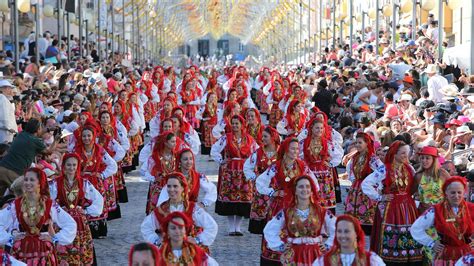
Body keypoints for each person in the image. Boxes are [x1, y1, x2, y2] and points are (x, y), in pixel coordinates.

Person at [256, 137, 318, 264]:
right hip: (279, 205)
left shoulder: (302, 165)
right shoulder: (276, 166)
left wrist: (306, 196)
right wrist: (273, 192)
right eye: (293, 148)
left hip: (297, 205)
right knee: (277, 231)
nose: (296, 151)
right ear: (285, 150)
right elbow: (260, 182)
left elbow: (314, 183)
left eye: (297, 148)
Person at [362, 140, 423, 265]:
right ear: (394, 154)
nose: (406, 156)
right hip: (391, 207)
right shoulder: (385, 169)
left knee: (408, 232)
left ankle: (408, 258)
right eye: (402, 153)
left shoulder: (409, 168)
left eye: (406, 153)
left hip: (408, 206)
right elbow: (366, 183)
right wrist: (379, 197)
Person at [0, 168, 77, 264]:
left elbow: (70, 223)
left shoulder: (50, 204)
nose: (28, 183)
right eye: (26, 179)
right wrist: (10, 238)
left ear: (40, 182)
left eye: (32, 180)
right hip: (21, 252)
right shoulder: (15, 205)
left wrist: (55, 238)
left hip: (45, 252)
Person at [263, 175, 336, 265]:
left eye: (307, 186)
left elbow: (337, 228)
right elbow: (269, 230)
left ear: (311, 190)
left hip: (315, 255)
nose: (305, 189)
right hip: (293, 255)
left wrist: (328, 245)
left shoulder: (321, 212)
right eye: (301, 187)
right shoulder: (287, 212)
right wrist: (280, 246)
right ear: (295, 191)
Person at [49, 153, 104, 265]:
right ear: (63, 166)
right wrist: (57, 212)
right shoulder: (55, 183)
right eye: (69, 165)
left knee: (81, 246)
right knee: (63, 248)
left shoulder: (83, 183)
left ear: (78, 166)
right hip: (62, 222)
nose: (71, 168)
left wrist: (87, 211)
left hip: (79, 222)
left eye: (74, 165)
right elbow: (49, 202)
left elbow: (98, 199)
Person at [141, 172, 218, 252]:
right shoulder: (162, 209)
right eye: (169, 186)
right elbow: (146, 227)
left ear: (182, 188)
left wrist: (197, 240)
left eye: (175, 186)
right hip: (168, 253)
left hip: (189, 252)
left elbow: (212, 226)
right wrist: (156, 241)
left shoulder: (192, 208)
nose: (171, 189)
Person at [211, 115, 258, 236]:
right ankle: (232, 227)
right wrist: (221, 161)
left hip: (243, 171)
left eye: (237, 123)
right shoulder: (226, 138)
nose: (235, 126)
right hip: (229, 171)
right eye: (233, 123)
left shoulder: (249, 139)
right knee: (230, 198)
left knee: (243, 198)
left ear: (242, 125)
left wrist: (252, 166)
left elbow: (256, 152)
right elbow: (214, 150)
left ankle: (238, 227)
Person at [411, 176, 474, 265]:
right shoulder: (436, 210)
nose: (456, 196)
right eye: (453, 192)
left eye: (459, 192)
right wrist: (431, 243)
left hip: (467, 255)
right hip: (445, 255)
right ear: (446, 193)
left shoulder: (471, 208)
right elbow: (415, 228)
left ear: (464, 193)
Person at [74, 123, 118, 239]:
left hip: (96, 182)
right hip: (82, 182)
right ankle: (85, 230)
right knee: (84, 202)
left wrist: (103, 175)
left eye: (89, 136)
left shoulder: (99, 150)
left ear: (93, 136)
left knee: (97, 202)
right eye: (84, 136)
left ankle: (99, 231)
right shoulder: (76, 150)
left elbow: (112, 165)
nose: (86, 138)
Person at [299, 117, 343, 213]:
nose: (320, 130)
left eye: (321, 128)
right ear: (311, 129)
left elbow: (338, 154)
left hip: (325, 174)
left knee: (325, 199)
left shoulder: (327, 142)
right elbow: (298, 155)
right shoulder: (304, 142)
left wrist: (330, 163)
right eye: (317, 128)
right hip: (310, 172)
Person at [344, 132, 384, 235]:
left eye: (360, 142)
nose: (357, 145)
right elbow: (351, 171)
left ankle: (367, 229)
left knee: (367, 211)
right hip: (356, 187)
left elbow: (382, 170)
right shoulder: (356, 157)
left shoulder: (372, 158)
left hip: (366, 188)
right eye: (356, 142)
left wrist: (374, 182)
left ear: (367, 143)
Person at [243, 126, 280, 234]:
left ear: (273, 137)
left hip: (276, 186)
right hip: (262, 187)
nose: (262, 138)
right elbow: (247, 166)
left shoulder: (281, 151)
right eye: (262, 136)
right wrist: (254, 177)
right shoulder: (258, 152)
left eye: (265, 136)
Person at [0, 119, 49, 196]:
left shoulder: (21, 134)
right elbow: (49, 151)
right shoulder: (35, 141)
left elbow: (38, 133)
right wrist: (56, 140)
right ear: (38, 129)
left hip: (2, 167)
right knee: (24, 197)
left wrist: (48, 129)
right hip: (14, 172)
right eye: (40, 128)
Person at [313, 214, 386, 265]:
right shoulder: (324, 261)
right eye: (339, 231)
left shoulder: (371, 260)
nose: (343, 235)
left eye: (347, 231)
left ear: (356, 234)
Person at [415, 146, 450, 213]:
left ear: (434, 160)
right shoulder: (418, 175)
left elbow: (452, 189)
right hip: (423, 213)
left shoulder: (442, 174)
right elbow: (409, 192)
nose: (424, 160)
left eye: (427, 158)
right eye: (422, 158)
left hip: (441, 212)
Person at [0, 80, 17, 144]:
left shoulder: (2, 98)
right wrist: (9, 128)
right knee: (4, 150)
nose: (10, 90)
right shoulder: (2, 98)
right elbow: (4, 115)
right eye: (9, 88)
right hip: (5, 131)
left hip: (4, 130)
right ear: (4, 88)